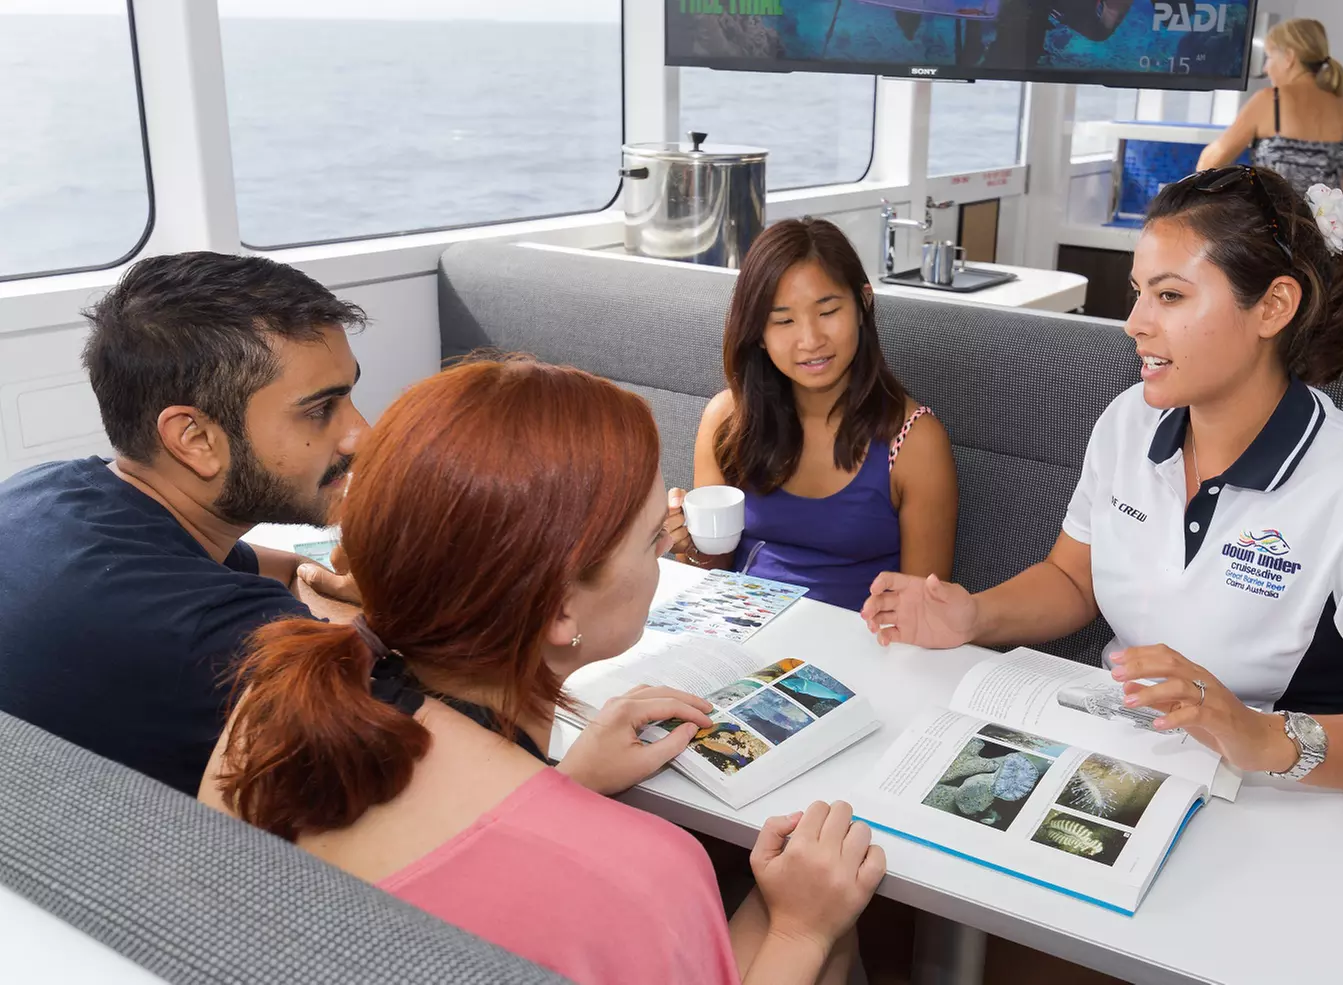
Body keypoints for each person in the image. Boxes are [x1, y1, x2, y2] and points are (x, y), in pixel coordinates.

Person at [200, 358, 884, 985]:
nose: (662, 558)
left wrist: (563, 785)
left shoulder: (267, 706)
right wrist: (801, 928)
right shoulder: (642, 871)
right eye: (653, 539)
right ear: (560, 610)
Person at [863, 165, 1343, 795]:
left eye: (1170, 296)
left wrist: (1257, 735)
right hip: (1127, 753)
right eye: (1138, 293)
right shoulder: (1129, 421)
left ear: (1273, 306)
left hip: (1280, 794)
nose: (1134, 322)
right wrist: (972, 615)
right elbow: (1073, 579)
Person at [0, 252, 366, 793]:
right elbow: (437, 751)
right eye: (320, 409)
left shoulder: (46, 489)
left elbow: (258, 568)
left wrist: (331, 581)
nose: (361, 433)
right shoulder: (214, 634)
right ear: (194, 440)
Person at [670, 217, 958, 611]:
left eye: (827, 311)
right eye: (784, 320)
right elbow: (714, 574)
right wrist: (691, 547)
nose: (810, 341)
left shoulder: (915, 441)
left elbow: (925, 611)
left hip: (861, 650)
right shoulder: (727, 421)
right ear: (758, 333)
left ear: (863, 303)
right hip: (740, 638)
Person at [1198, 18, 1343, 204]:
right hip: (1321, 231)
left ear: (1289, 57)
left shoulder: (1269, 101)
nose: (1266, 68)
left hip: (1271, 228)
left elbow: (1208, 165)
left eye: (1270, 57)